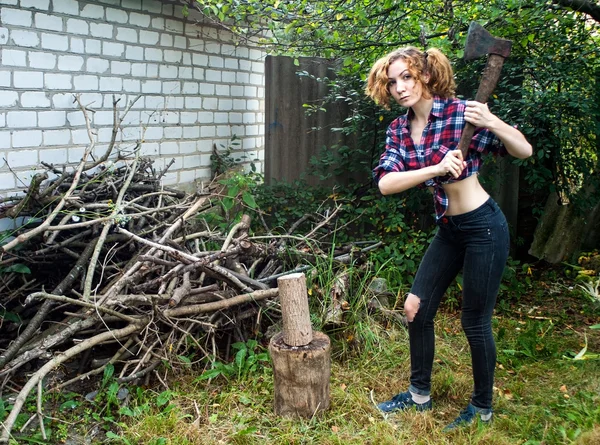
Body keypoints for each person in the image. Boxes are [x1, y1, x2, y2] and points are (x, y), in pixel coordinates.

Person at [365, 46, 532, 430]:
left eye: (407, 76)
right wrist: (434, 167)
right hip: (449, 229)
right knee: (415, 308)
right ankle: (419, 395)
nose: (400, 87)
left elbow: (523, 150)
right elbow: (386, 184)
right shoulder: (399, 130)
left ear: (424, 75)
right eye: (392, 82)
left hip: (484, 226)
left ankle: (482, 407)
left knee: (475, 321)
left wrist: (492, 121)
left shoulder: (461, 114)